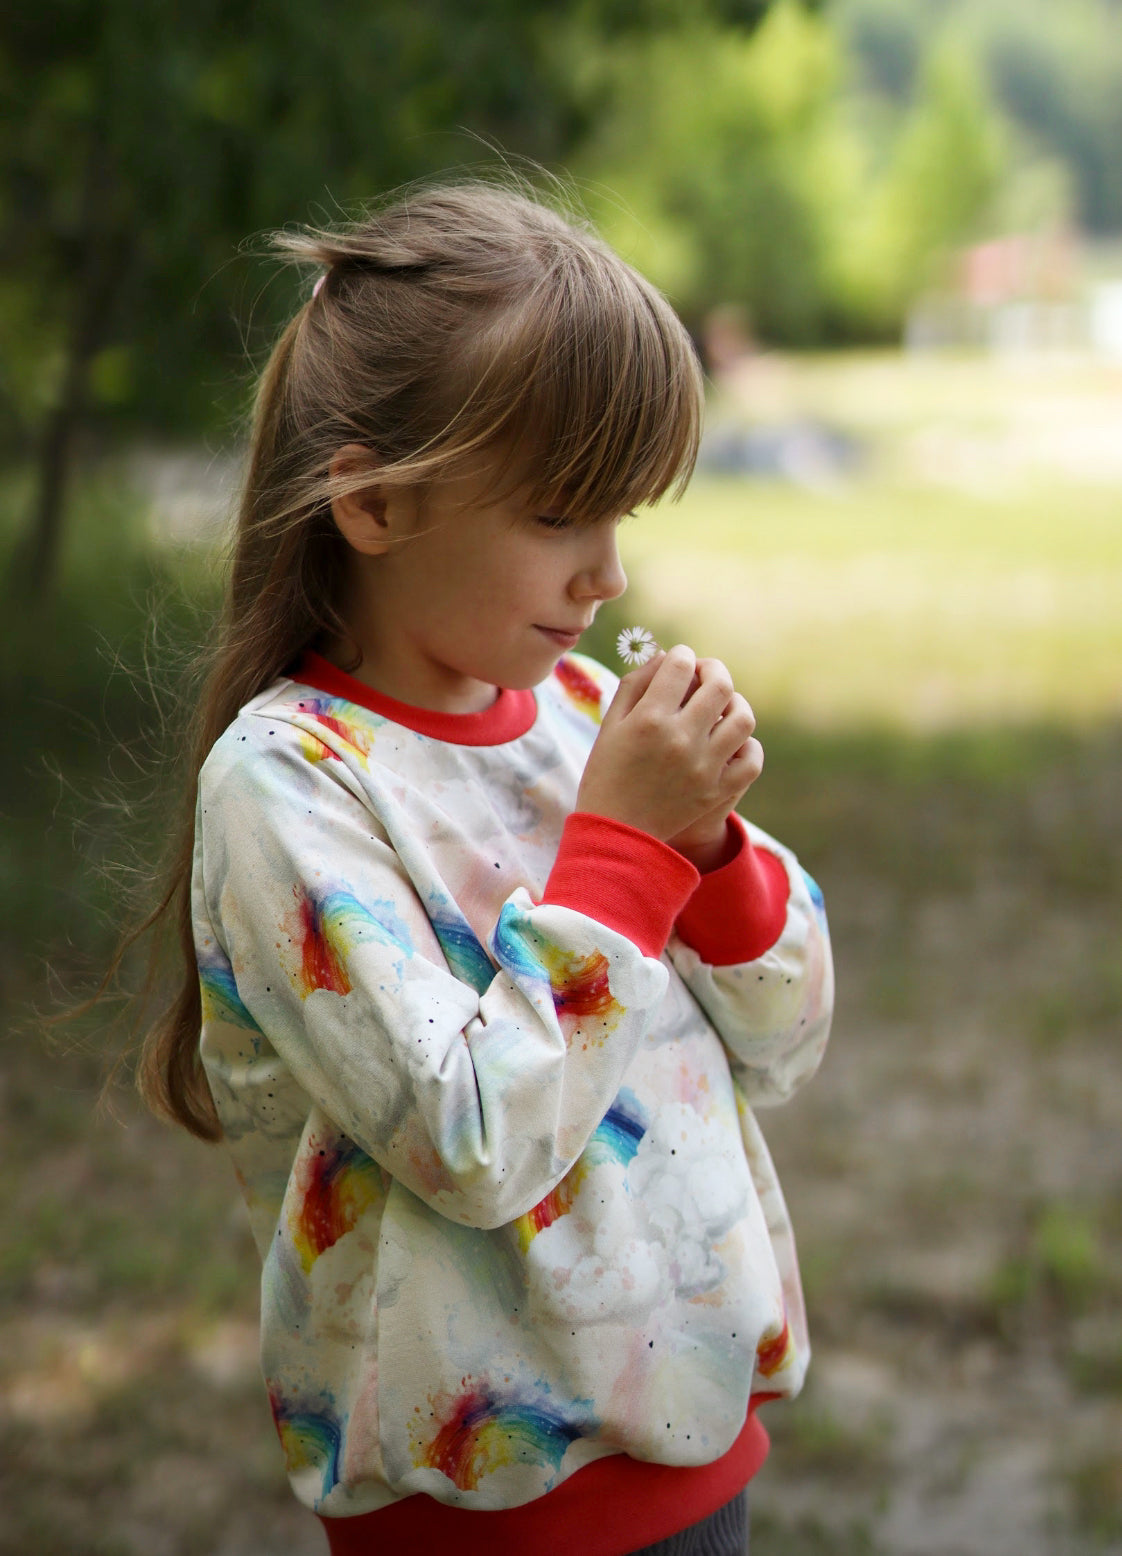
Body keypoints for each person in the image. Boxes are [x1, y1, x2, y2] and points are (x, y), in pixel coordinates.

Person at [142, 181, 833, 1556]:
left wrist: (708, 852)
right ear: (376, 500)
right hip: (481, 1506)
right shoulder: (291, 784)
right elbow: (465, 1139)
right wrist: (627, 854)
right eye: (562, 514)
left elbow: (789, 1037)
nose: (608, 578)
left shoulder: (581, 720)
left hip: (698, 1450)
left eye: (622, 516)